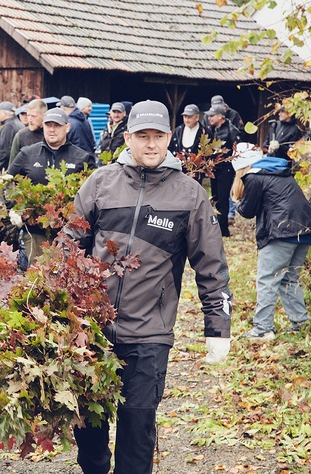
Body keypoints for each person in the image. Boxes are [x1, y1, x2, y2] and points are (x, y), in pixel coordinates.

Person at [65, 100, 232, 474]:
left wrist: (217, 327)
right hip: (90, 332)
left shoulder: (189, 195)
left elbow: (212, 264)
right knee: (88, 430)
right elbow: (68, 245)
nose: (151, 144)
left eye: (158, 136)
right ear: (128, 137)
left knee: (137, 430)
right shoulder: (101, 183)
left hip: (149, 335)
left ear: (169, 138)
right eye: (143, 136)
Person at [232, 149, 311, 340]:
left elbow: (248, 211)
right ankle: (300, 322)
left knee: (267, 279)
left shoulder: (254, 177)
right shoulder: (277, 171)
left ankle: (263, 329)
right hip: (305, 230)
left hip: (283, 232)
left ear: (240, 168)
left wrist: (236, 202)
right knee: (289, 278)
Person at [7, 107, 96, 265]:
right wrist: (15, 209)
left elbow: (93, 195)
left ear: (67, 128)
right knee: (37, 276)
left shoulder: (82, 158)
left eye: (57, 125)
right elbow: (6, 182)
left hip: (69, 233)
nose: (52, 130)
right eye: (48, 125)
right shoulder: (27, 154)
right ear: (43, 127)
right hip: (36, 232)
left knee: (62, 279)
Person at [205, 103, 242, 237]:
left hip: (226, 169)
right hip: (214, 167)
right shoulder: (212, 129)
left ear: (220, 116)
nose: (209, 118)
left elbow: (237, 150)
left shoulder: (232, 130)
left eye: (212, 116)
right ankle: (215, 226)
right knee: (214, 197)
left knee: (223, 198)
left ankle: (223, 229)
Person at [169, 103, 212, 182]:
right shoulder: (178, 131)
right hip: (179, 168)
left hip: (196, 170)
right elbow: (170, 148)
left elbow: (210, 151)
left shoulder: (205, 132)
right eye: (185, 117)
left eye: (189, 117)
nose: (186, 120)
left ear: (197, 117)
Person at [9, 98, 47, 163]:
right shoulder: (21, 135)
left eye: (33, 116)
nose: (29, 119)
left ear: (44, 116)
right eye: (28, 115)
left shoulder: (52, 135)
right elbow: (12, 166)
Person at [0, 101, 24, 171]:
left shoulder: (8, 126)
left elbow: (4, 151)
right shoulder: (19, 123)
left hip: (8, 168)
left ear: (4, 113)